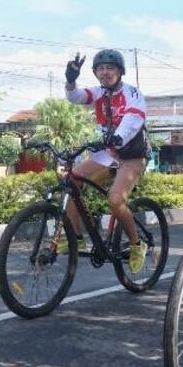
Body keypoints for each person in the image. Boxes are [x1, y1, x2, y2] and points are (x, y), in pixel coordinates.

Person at [61, 48, 151, 273]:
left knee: (115, 200)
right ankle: (77, 237)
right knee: (71, 181)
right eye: (100, 69)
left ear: (120, 71)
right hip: (108, 154)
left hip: (133, 154)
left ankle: (137, 244)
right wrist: (70, 81)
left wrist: (119, 136)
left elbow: (134, 117)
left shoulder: (132, 93)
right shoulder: (99, 93)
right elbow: (76, 97)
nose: (105, 72)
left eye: (110, 68)